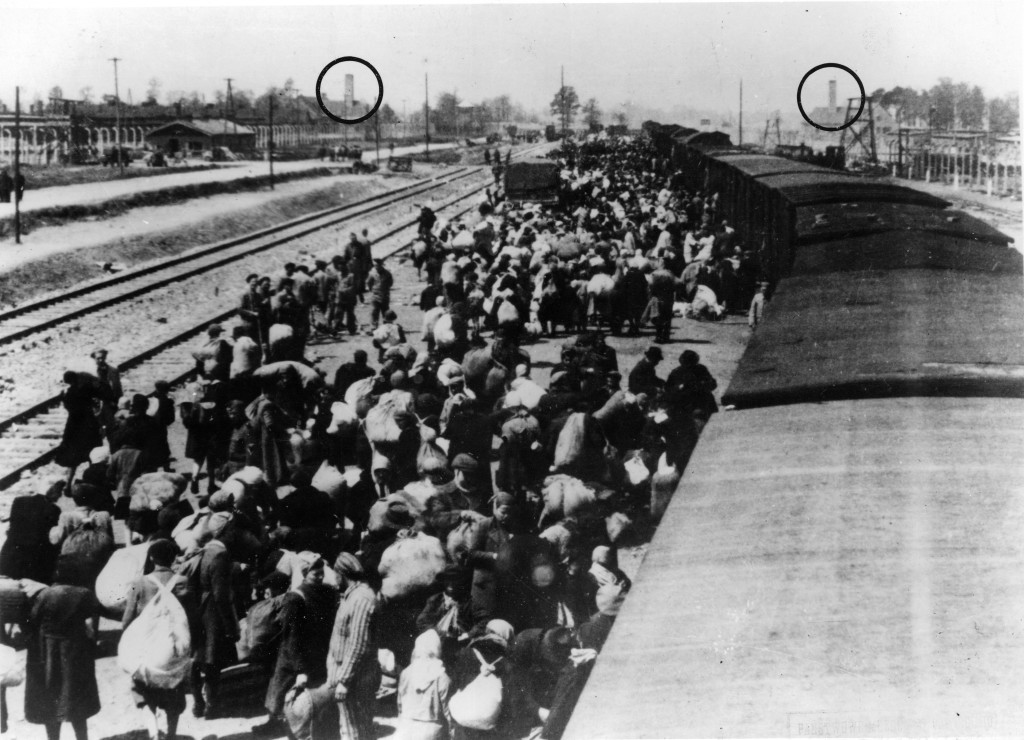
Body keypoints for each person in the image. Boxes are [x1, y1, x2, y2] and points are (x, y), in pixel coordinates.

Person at [256, 555, 339, 738]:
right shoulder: (295, 598)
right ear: (304, 574)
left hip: (316, 653)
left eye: (321, 574)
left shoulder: (326, 593)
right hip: (295, 657)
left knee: (307, 700)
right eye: (314, 574)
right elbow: (291, 636)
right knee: (284, 697)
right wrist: (300, 668)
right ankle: (280, 726)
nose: (318, 577)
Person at [122, 539, 192, 740]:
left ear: (151, 558)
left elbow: (127, 619)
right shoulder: (183, 582)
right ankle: (170, 735)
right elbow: (191, 616)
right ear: (173, 558)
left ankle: (153, 733)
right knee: (174, 688)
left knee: (142, 687)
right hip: (174, 645)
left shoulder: (138, 584)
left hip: (146, 646)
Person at [24, 567, 101, 740]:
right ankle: (82, 737)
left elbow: (34, 618)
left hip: (49, 651)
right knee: (76, 695)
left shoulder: (44, 594)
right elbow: (92, 624)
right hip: (75, 649)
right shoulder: (84, 593)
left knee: (51, 695)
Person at [189, 513, 240, 719]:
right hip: (212, 612)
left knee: (196, 658)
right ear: (225, 531)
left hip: (198, 608)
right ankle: (211, 705)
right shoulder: (220, 555)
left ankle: (197, 703)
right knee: (212, 660)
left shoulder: (204, 550)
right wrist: (231, 626)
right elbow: (221, 595)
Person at [327, 552, 381, 740]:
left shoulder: (361, 599)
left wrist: (344, 680)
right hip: (350, 675)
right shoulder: (350, 597)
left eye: (335, 574)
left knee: (353, 730)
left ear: (342, 574)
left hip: (357, 677)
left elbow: (358, 644)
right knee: (354, 728)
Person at [0, 478, 63, 584]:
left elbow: (13, 526)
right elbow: (49, 535)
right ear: (52, 491)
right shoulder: (54, 509)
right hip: (35, 558)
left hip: (11, 554)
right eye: (59, 491)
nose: (60, 495)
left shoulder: (19, 501)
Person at [395, 629, 453, 740]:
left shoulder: (406, 672)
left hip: (407, 726)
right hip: (432, 731)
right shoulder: (441, 675)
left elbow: (400, 703)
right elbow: (447, 709)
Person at [54, 371, 105, 489]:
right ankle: (95, 481)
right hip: (88, 425)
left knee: (73, 459)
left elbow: (68, 407)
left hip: (74, 426)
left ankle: (68, 484)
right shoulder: (85, 389)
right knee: (92, 453)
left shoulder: (68, 394)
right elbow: (97, 395)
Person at [92, 348, 123, 435]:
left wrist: (119, 403)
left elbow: (118, 388)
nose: (100, 360)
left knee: (112, 429)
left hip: (110, 404)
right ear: (94, 359)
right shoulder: (92, 373)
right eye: (98, 358)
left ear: (105, 358)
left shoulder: (113, 371)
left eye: (102, 358)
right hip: (96, 405)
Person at [366, 258, 394, 330]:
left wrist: (385, 289)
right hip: (375, 295)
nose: (376, 267)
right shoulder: (372, 273)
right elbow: (368, 283)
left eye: (378, 265)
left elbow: (390, 283)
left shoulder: (387, 274)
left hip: (384, 295)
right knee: (374, 312)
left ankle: (387, 327)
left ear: (381, 265)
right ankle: (374, 327)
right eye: (375, 265)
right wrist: (372, 290)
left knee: (385, 311)